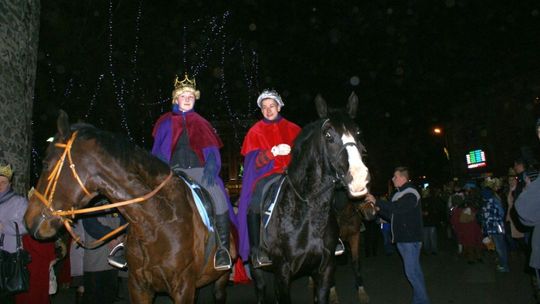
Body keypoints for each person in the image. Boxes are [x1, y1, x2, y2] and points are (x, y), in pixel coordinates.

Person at [151, 73, 233, 270]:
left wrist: (211, 168)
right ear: (175, 99)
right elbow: (158, 152)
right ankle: (128, 244)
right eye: (183, 96)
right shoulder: (164, 123)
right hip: (173, 171)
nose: (187, 100)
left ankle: (223, 248)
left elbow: (212, 153)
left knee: (218, 195)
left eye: (190, 97)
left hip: (198, 171)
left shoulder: (203, 123)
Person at [236, 89, 301, 267]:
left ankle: (330, 238)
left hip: (293, 174)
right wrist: (272, 152)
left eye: (272, 106)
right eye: (264, 107)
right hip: (270, 175)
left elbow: (306, 155)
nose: (268, 110)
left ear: (279, 107)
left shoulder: (294, 128)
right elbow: (253, 163)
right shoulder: (255, 131)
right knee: (255, 201)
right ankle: (257, 249)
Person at [365, 167, 430, 304]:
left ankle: (422, 301)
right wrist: (378, 210)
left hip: (410, 239)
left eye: (395, 177)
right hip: (402, 239)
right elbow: (392, 215)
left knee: (412, 273)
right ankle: (419, 299)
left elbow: (398, 208)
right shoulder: (397, 194)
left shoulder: (411, 192)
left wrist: (377, 201)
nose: (393, 179)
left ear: (402, 178)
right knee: (414, 272)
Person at [0, 164, 28, 304]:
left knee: (5, 295)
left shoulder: (19, 201)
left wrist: (3, 226)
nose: (0, 185)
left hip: (7, 256)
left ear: (10, 184)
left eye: (3, 182)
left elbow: (24, 226)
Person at [480, 177, 509, 272]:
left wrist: (494, 219)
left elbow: (501, 213)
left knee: (500, 247)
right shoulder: (488, 201)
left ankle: (504, 266)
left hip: (497, 227)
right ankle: (502, 262)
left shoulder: (493, 201)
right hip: (493, 228)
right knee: (498, 247)